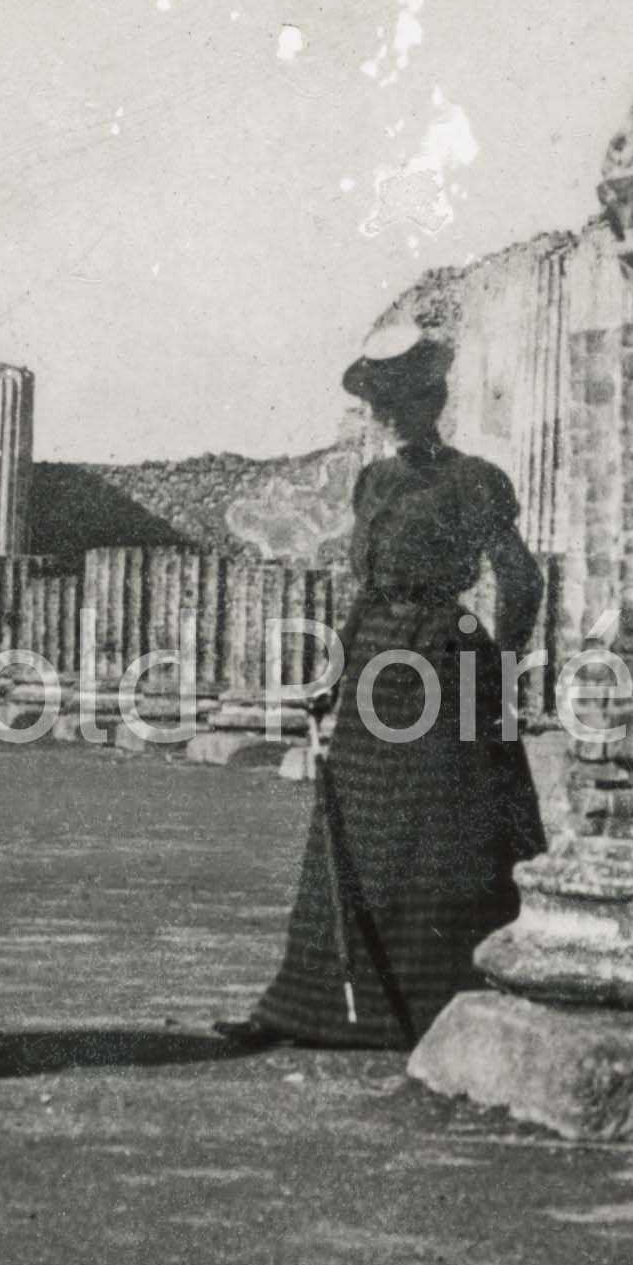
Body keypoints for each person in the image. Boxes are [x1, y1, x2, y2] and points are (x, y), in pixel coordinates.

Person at [221, 331, 546, 1051]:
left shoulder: (475, 480)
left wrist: (502, 665)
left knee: (435, 837)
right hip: (373, 662)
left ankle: (435, 1006)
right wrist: (331, 676)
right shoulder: (373, 481)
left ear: (431, 401)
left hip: (443, 664)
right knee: (354, 833)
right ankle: (309, 1009)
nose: (385, 415)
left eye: (398, 400)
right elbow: (366, 592)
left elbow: (521, 578)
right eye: (377, 402)